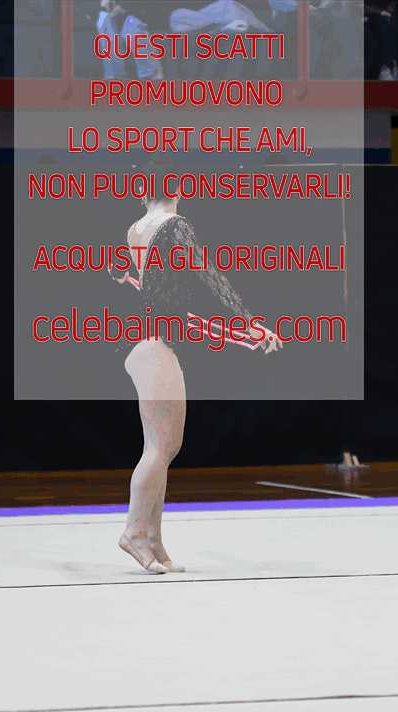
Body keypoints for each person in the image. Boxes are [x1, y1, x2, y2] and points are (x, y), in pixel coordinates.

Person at [113, 160, 282, 574]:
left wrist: (123, 277)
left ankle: (154, 540)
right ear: (178, 192)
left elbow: (132, 276)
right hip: (156, 343)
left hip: (150, 341)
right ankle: (133, 532)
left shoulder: (135, 230)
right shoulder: (176, 226)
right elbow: (207, 272)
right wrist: (248, 321)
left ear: (142, 193)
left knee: (163, 447)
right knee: (160, 448)